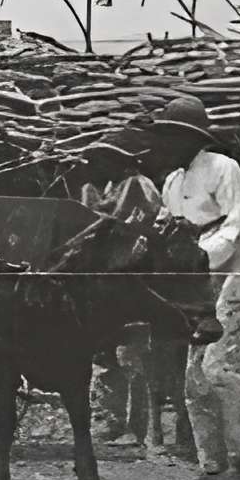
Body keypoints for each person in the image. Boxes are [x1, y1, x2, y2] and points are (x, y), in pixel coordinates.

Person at [148, 94, 240, 480]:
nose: (166, 147)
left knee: (220, 370)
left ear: (190, 138)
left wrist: (195, 256)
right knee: (194, 380)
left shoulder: (222, 168)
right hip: (197, 293)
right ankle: (212, 465)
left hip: (234, 282)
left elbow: (232, 229)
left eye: (173, 138)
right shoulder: (172, 183)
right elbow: (166, 228)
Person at [77, 126, 164, 450]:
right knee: (106, 355)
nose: (99, 166)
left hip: (132, 279)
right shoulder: (109, 187)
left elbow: (132, 229)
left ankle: (137, 427)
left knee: (132, 358)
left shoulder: (137, 187)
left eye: (105, 159)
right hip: (106, 282)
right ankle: (110, 421)